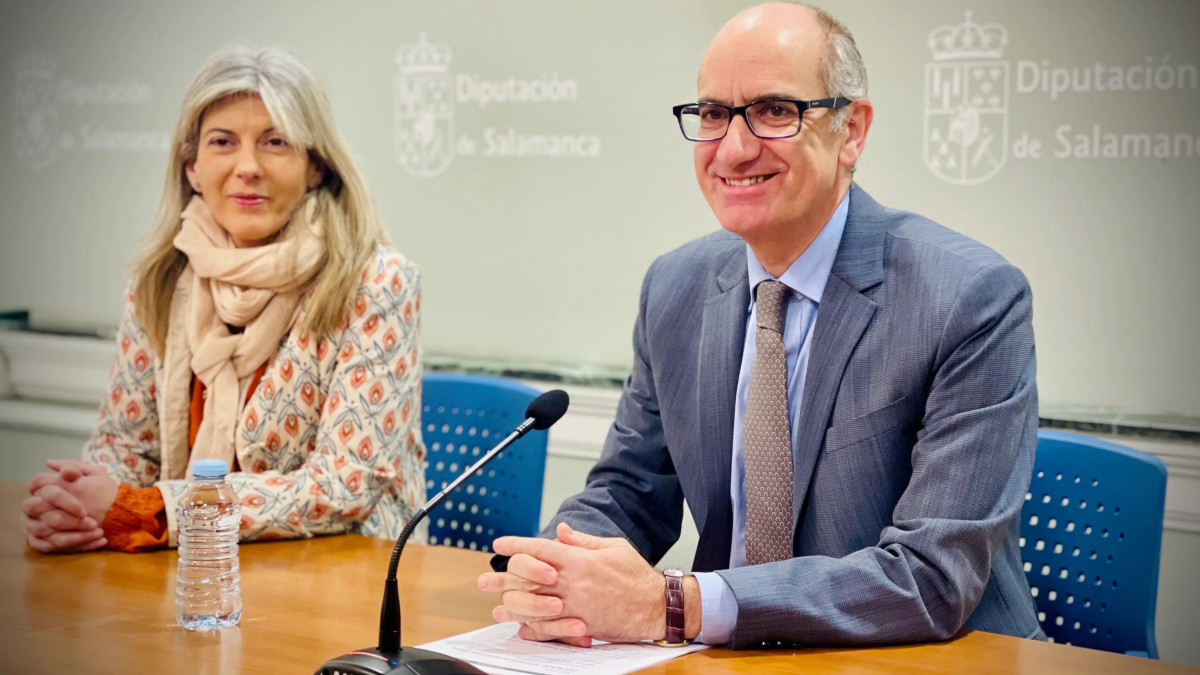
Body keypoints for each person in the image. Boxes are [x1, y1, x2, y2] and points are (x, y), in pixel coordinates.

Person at [478, 2, 1044, 649]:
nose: (735, 147)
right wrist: (556, 566)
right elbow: (630, 489)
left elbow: (932, 577)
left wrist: (675, 603)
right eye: (714, 114)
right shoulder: (675, 287)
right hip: (733, 657)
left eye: (775, 111)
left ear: (851, 130)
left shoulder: (968, 297)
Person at [21, 46, 426, 554]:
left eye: (275, 142)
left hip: (337, 579)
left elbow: (344, 486)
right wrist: (78, 507)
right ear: (192, 167)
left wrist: (154, 510)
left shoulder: (374, 282)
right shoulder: (161, 280)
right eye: (223, 142)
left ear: (316, 166)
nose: (247, 166)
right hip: (189, 570)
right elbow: (127, 447)